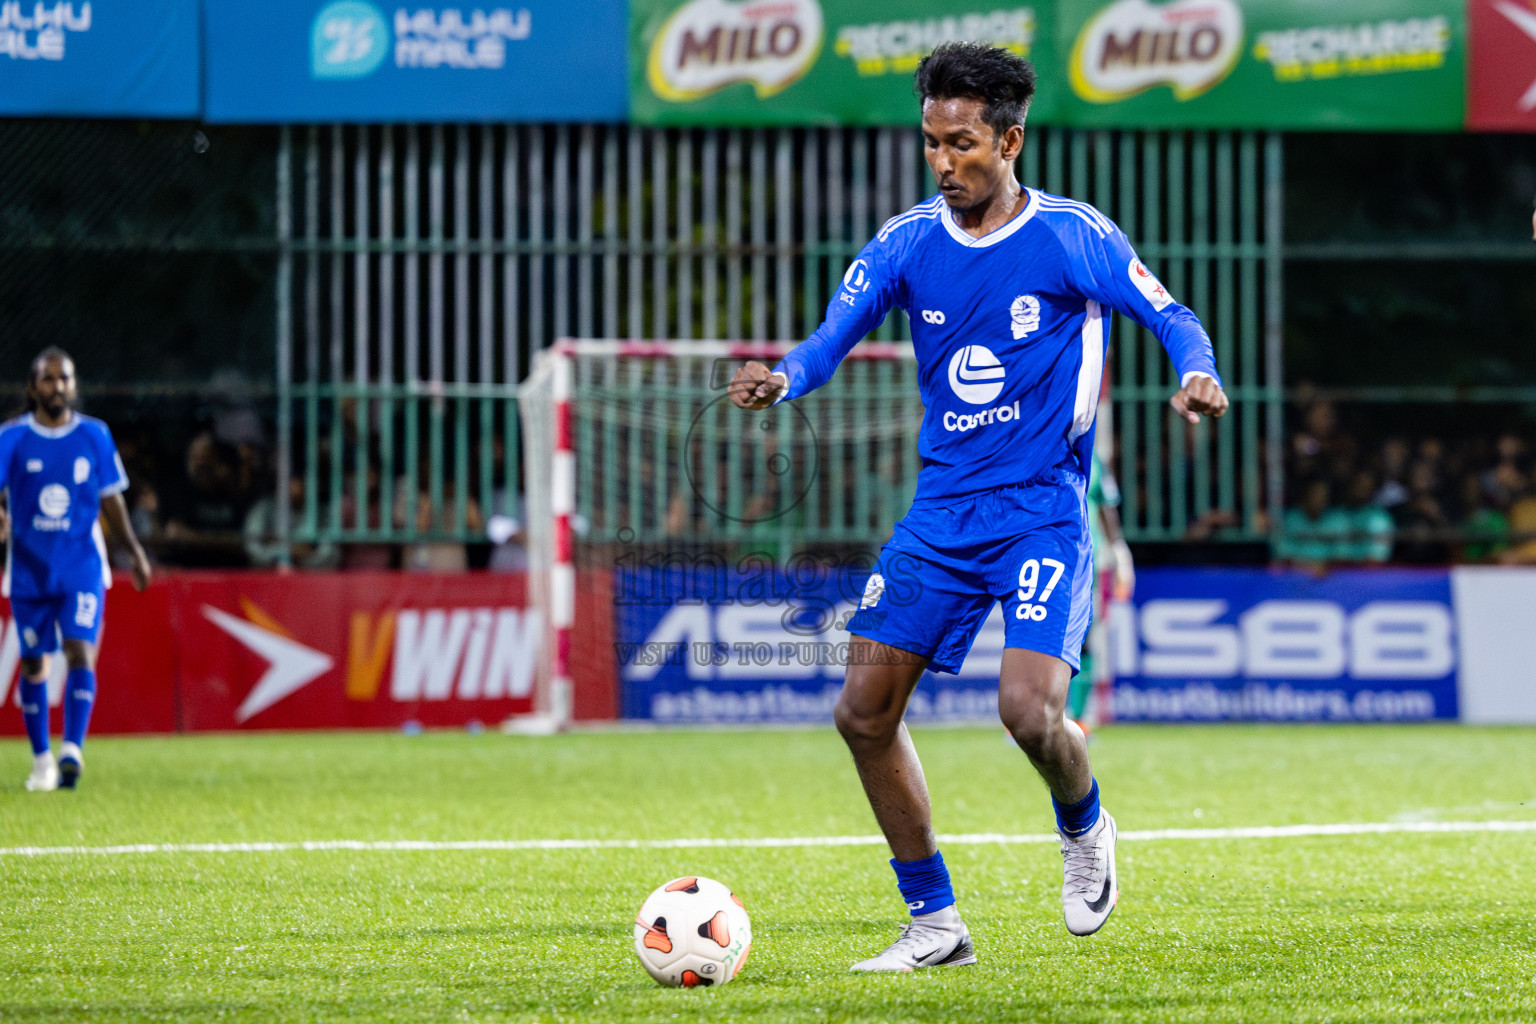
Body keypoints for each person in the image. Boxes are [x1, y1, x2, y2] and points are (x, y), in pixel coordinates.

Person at [730, 43, 1226, 971]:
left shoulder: (1072, 235)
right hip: (942, 514)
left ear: (1011, 138)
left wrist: (1197, 370)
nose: (944, 162)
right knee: (862, 712)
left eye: (962, 144)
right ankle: (935, 923)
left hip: (1041, 509)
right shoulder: (907, 241)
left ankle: (1084, 828)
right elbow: (828, 341)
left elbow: (1170, 314)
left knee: (1029, 713)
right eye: (931, 144)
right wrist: (784, 380)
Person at [0, 348, 151, 792]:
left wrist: (136, 552)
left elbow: (112, 498)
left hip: (82, 564)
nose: (57, 386)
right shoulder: (10, 439)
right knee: (32, 664)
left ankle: (73, 751)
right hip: (29, 569)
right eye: (47, 379)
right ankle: (42, 760)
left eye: (64, 378)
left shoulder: (95, 435)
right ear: (32, 387)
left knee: (80, 650)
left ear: (74, 384)